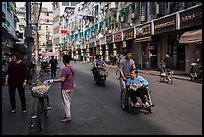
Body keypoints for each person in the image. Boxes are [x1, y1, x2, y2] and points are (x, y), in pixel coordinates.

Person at [48, 55, 75, 122]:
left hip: (65, 87)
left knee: (65, 102)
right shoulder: (71, 68)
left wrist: (52, 81)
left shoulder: (65, 69)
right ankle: (67, 115)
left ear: (64, 61)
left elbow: (62, 79)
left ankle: (68, 117)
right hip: (71, 87)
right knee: (68, 101)